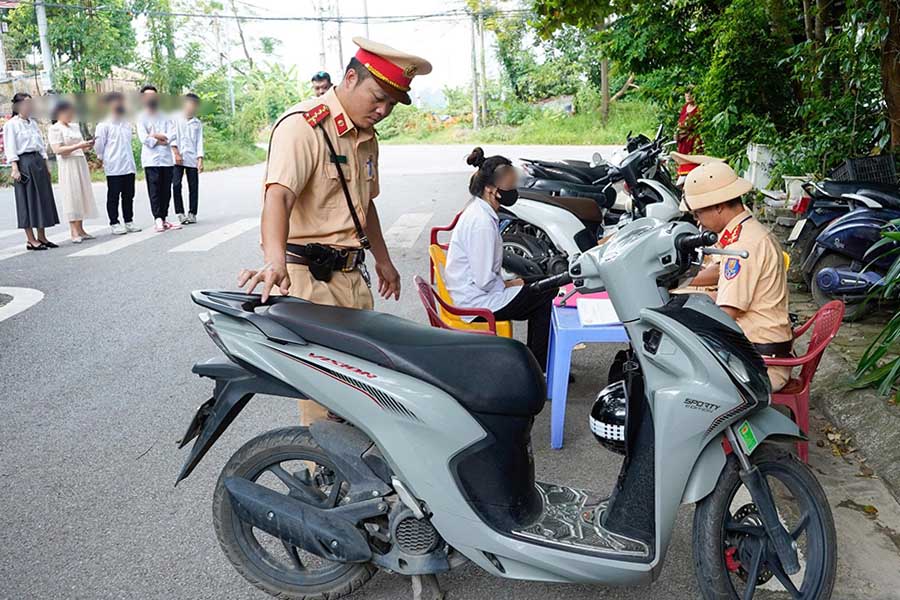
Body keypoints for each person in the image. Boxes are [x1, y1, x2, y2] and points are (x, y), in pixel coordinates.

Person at [238, 37, 431, 426]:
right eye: (378, 98)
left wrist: (383, 260)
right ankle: (318, 463)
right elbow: (278, 197)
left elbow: (365, 204)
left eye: (392, 104)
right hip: (311, 283)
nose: (383, 110)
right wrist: (274, 261)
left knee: (363, 391)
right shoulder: (303, 127)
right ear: (350, 78)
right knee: (325, 401)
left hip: (352, 279)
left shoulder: (367, 137)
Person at [682, 161, 793, 391]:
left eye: (698, 212)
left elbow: (726, 314)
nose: (697, 220)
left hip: (759, 366)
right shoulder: (745, 231)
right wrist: (682, 287)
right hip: (757, 350)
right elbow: (722, 280)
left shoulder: (742, 247)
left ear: (718, 206)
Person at [444, 148, 558, 366]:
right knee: (545, 295)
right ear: (490, 189)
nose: (513, 191)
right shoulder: (482, 224)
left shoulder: (480, 211)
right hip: (477, 302)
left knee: (545, 282)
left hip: (477, 291)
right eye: (509, 186)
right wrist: (509, 284)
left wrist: (511, 283)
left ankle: (541, 359)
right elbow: (484, 281)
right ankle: (539, 366)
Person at [3, 92, 59, 250]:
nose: (29, 106)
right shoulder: (11, 125)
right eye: (26, 103)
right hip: (24, 163)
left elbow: (41, 146)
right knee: (26, 201)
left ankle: (42, 236)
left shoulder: (33, 123)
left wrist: (46, 165)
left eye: (31, 103)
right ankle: (30, 239)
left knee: (42, 199)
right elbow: (10, 147)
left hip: (38, 161)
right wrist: (15, 168)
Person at [48, 100, 98, 244]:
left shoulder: (74, 127)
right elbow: (58, 150)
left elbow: (82, 147)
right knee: (71, 195)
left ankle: (81, 228)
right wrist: (78, 145)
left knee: (81, 194)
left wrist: (87, 145)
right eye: (68, 113)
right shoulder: (55, 129)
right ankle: (73, 230)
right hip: (68, 164)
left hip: (80, 161)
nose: (70, 115)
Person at [94, 91, 140, 235]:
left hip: (128, 165)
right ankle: (114, 222)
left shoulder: (126, 124)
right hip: (114, 166)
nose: (120, 104)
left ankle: (129, 221)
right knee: (113, 195)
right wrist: (102, 159)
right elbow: (99, 146)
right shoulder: (104, 125)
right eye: (116, 101)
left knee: (129, 195)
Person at [136, 84, 180, 233]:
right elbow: (144, 138)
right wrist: (159, 139)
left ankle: (164, 218)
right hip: (151, 160)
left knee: (166, 190)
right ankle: (157, 219)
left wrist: (156, 136)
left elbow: (172, 134)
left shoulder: (165, 115)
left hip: (166, 159)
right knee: (154, 190)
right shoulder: (141, 117)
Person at [172, 92, 204, 225]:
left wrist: (200, 159)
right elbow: (172, 136)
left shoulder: (197, 123)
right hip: (177, 158)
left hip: (192, 157)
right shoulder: (175, 119)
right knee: (176, 185)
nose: (191, 108)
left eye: (194, 105)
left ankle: (192, 213)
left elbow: (199, 142)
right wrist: (176, 153)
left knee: (193, 186)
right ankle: (180, 212)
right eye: (189, 104)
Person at [675, 86, 703, 180]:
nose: (688, 95)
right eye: (686, 93)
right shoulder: (684, 108)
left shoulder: (698, 109)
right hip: (683, 142)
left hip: (693, 142)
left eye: (691, 93)